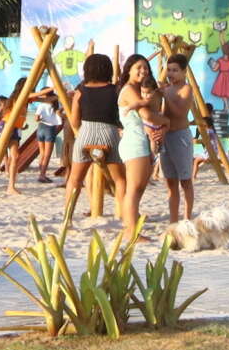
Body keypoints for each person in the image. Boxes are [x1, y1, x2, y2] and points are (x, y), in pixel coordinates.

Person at [64, 51, 124, 225]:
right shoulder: (115, 91)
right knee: (120, 180)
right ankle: (124, 218)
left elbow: (74, 121)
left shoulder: (80, 91)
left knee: (75, 180)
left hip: (86, 133)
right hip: (109, 133)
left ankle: (67, 218)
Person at [117, 54, 164, 240]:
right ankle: (131, 232)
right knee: (134, 189)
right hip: (133, 142)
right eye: (139, 67)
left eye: (146, 67)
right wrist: (166, 122)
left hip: (140, 142)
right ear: (129, 69)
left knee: (139, 188)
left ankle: (131, 226)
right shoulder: (129, 89)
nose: (143, 71)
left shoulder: (141, 90)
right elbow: (148, 116)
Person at [156, 53, 202, 227]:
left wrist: (166, 95)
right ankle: (173, 220)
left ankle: (187, 217)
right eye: (169, 70)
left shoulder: (186, 89)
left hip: (180, 137)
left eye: (175, 70)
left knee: (185, 180)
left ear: (184, 72)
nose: (171, 73)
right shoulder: (166, 88)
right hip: (166, 137)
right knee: (170, 181)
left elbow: (180, 113)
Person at [28, 90, 64, 179]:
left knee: (42, 152)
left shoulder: (41, 105)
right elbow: (60, 114)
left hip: (40, 128)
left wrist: (42, 119)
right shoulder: (56, 104)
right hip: (50, 129)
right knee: (47, 154)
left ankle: (41, 173)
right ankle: (42, 175)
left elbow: (36, 118)